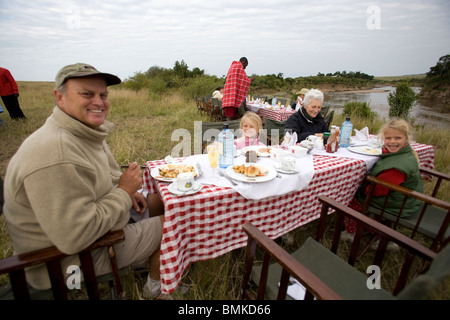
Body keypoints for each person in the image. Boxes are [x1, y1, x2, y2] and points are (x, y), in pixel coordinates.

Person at [2, 63, 166, 300]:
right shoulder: (56, 153)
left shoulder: (83, 132)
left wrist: (129, 193)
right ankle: (157, 290)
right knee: (174, 222)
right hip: (67, 264)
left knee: (156, 199)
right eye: (87, 94)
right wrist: (123, 191)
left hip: (94, 237)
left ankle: (144, 261)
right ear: (59, 97)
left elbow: (101, 180)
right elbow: (76, 237)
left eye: (103, 94)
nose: (99, 102)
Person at [342, 119, 423, 241]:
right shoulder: (404, 154)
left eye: (397, 138)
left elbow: (376, 191)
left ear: (406, 139)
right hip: (406, 199)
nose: (392, 142)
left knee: (350, 198)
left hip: (399, 204)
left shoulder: (397, 166)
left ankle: (370, 233)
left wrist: (360, 189)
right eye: (388, 138)